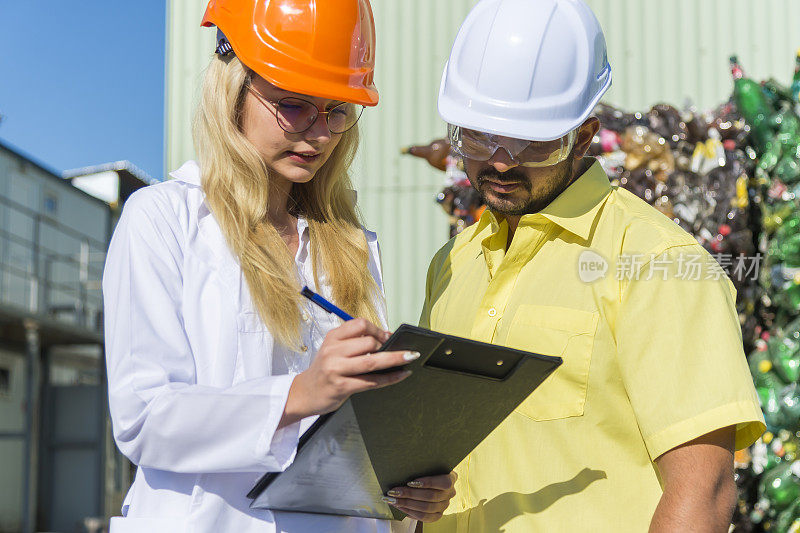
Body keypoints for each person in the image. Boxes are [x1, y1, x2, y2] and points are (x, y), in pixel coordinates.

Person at [103, 1, 455, 531]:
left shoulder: (350, 244)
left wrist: (406, 477)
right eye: (293, 105)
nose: (318, 133)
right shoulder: (163, 220)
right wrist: (296, 397)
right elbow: (145, 418)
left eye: (337, 110)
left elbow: (352, 432)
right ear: (234, 90)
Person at [420, 0, 765, 531]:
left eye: (532, 141)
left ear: (584, 137)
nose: (501, 160)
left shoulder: (655, 262)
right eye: (479, 136)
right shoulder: (453, 263)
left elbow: (703, 495)